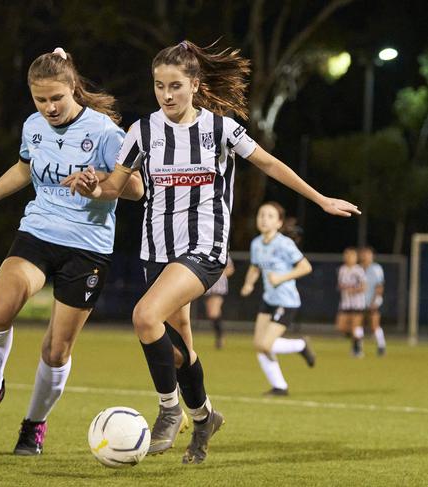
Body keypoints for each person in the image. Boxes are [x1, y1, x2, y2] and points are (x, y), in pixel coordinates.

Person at [63, 39, 359, 464]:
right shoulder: (142, 131)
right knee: (179, 347)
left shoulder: (220, 129)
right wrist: (95, 187)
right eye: (159, 86)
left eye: (176, 86)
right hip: (156, 252)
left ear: (195, 85)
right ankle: (204, 418)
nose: (167, 95)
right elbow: (116, 187)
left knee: (144, 317)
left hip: (204, 250)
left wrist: (320, 199)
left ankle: (169, 410)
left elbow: (270, 164)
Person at [0, 47, 143, 456]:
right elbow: (23, 169)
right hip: (38, 233)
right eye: (40, 99)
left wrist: (98, 184)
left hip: (87, 248)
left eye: (56, 98)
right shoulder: (33, 126)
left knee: (56, 349)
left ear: (74, 89)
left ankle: (33, 426)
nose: (49, 108)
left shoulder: (105, 133)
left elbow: (137, 189)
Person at [240, 202, 315, 396]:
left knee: (266, 344)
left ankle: (301, 345)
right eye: (261, 215)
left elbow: (305, 267)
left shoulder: (284, 244)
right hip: (269, 299)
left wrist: (281, 278)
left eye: (270, 216)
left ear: (279, 222)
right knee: (259, 345)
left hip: (286, 301)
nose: (264, 219)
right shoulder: (256, 243)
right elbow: (255, 267)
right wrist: (249, 284)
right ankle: (279, 387)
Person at [336, 247, 367, 357]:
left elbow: (364, 287)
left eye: (351, 255)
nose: (348, 257)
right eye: (346, 255)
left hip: (357, 303)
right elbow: (340, 284)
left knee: (355, 326)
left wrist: (353, 290)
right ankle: (357, 340)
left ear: (355, 257)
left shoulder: (358, 270)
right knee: (341, 327)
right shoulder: (342, 269)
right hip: (345, 303)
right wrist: (343, 288)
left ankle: (357, 349)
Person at [359, 246, 386, 356]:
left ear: (372, 256)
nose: (365, 256)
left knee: (374, 325)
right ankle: (358, 348)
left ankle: (381, 345)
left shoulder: (376, 268)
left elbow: (379, 286)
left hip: (372, 300)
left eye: (368, 254)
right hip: (360, 302)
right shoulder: (358, 268)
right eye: (364, 254)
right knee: (358, 325)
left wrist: (375, 301)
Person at [203, 255, 234, 349]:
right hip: (206, 287)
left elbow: (230, 269)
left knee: (213, 313)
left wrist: (218, 274)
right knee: (211, 313)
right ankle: (219, 335)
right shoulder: (203, 252)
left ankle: (220, 337)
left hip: (218, 288)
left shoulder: (223, 253)